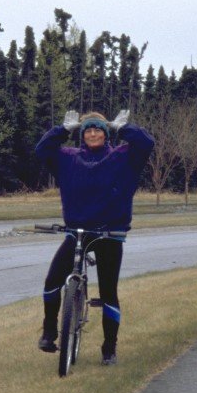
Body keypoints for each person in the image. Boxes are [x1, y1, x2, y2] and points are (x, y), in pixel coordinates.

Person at [34, 109, 155, 365]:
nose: (92, 133)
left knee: (109, 291)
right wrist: (62, 130)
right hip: (77, 231)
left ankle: (109, 348)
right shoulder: (68, 158)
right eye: (87, 129)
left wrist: (124, 128)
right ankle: (49, 332)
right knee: (52, 280)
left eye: (98, 129)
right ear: (81, 135)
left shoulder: (122, 156)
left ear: (106, 133)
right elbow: (42, 150)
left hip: (110, 232)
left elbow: (146, 144)